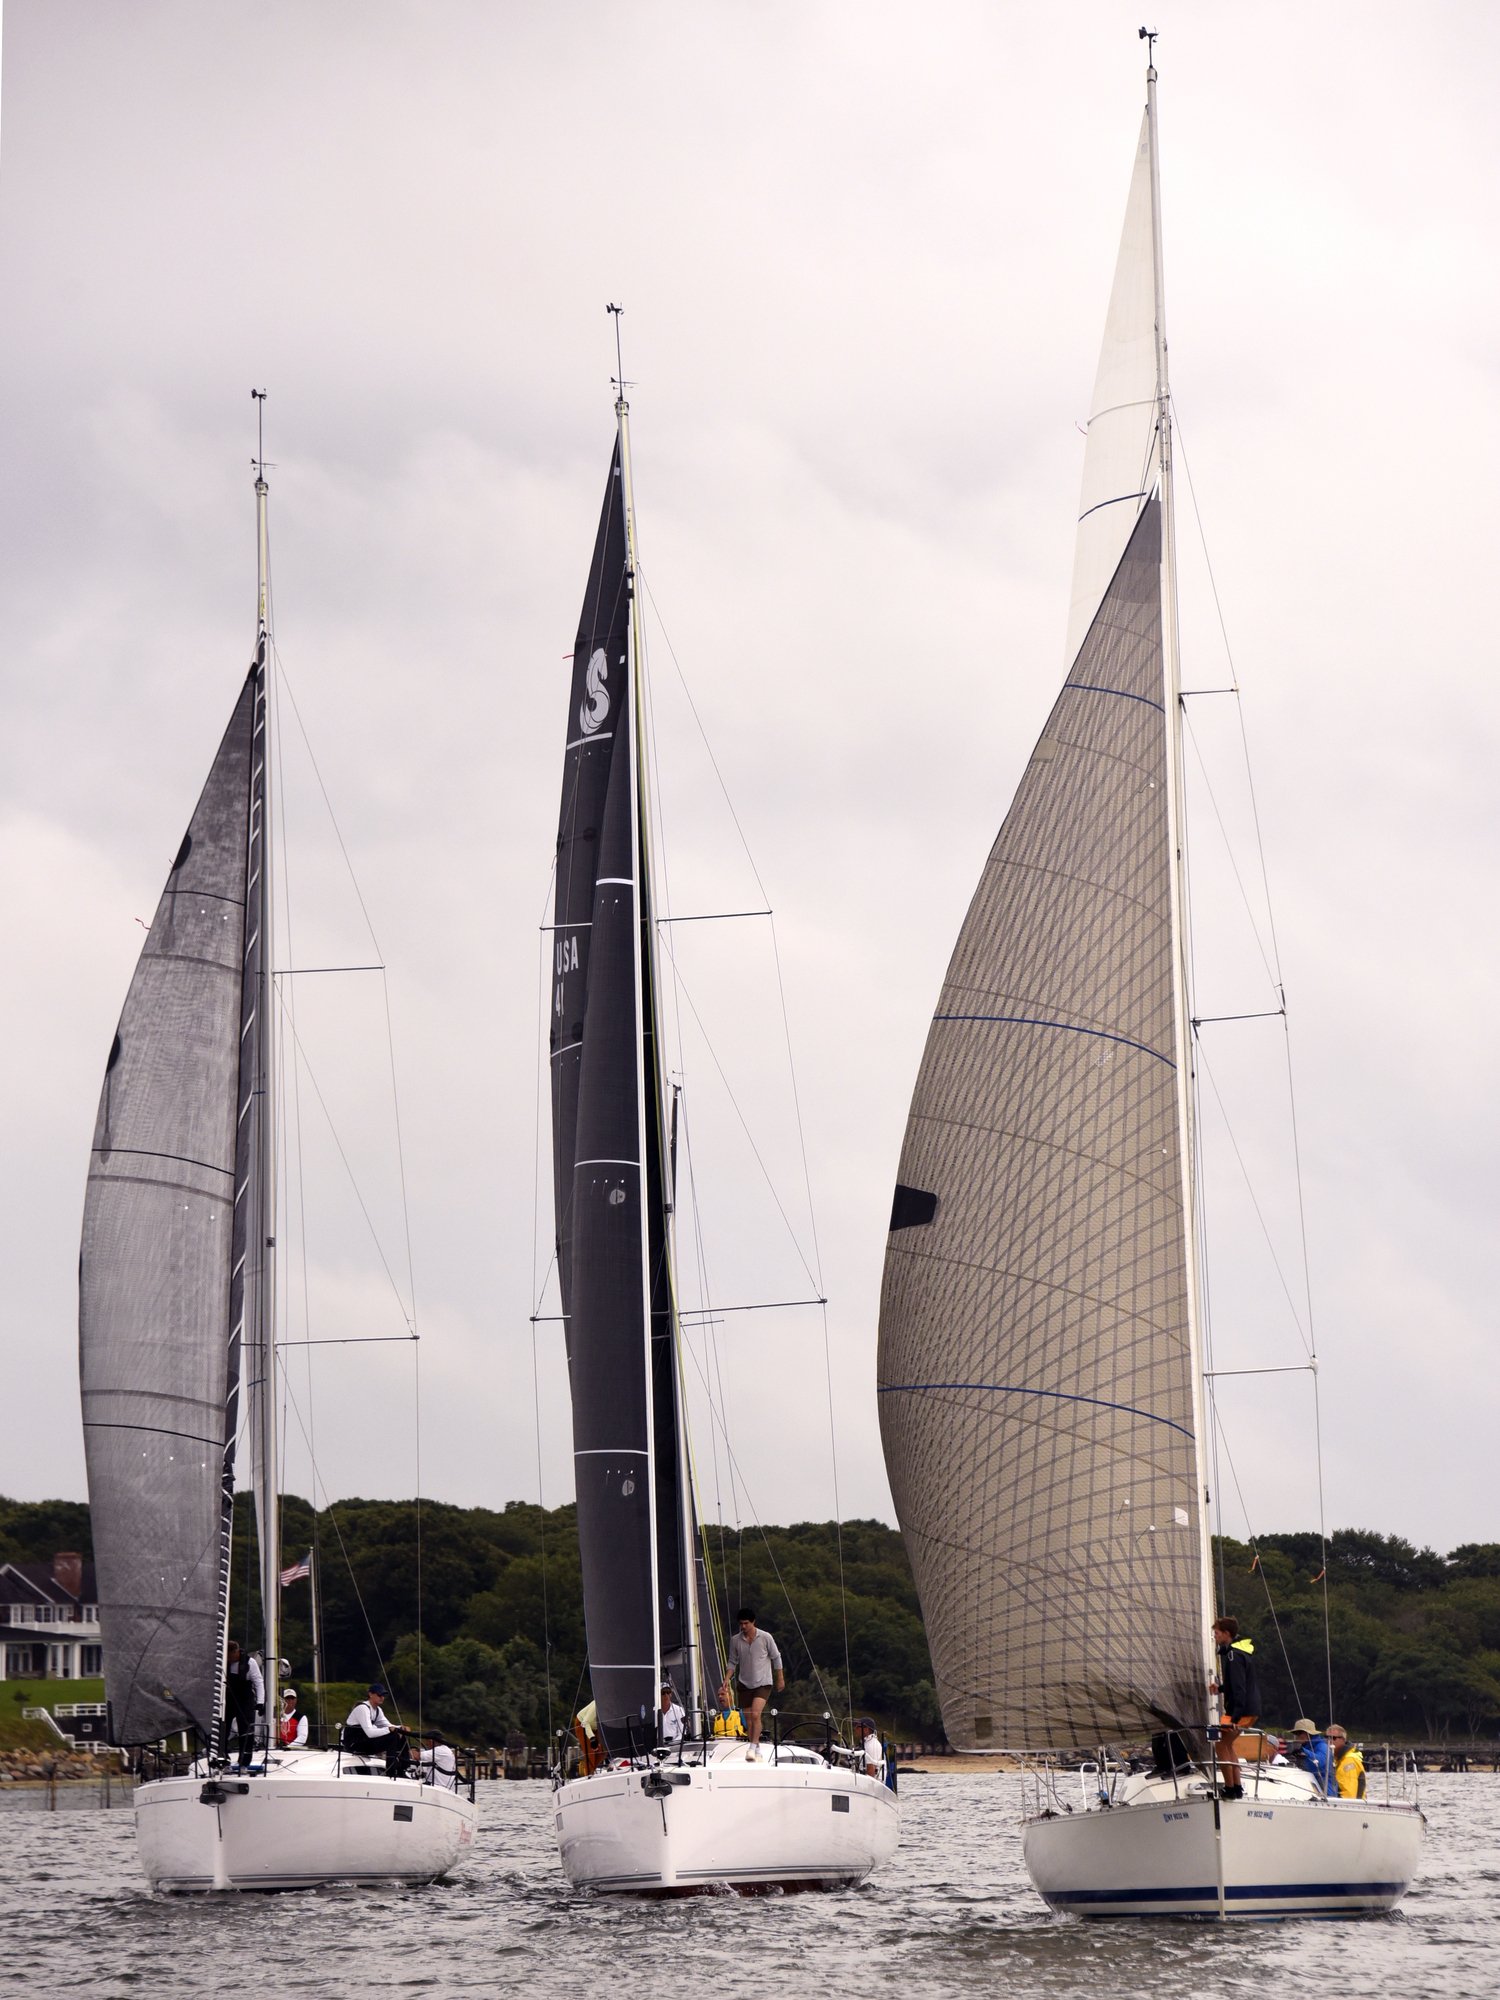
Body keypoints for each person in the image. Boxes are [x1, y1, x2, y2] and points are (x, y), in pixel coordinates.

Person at [1209, 1615, 1261, 1799]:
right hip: (1249, 1708)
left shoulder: (1233, 1655)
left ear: (1226, 1634)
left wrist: (1235, 1718)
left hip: (1242, 1710)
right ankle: (1236, 1787)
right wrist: (1221, 1689)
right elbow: (1236, 1683)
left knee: (1221, 1746)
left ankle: (1230, 1788)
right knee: (1227, 1745)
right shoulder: (1239, 1652)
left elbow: (1240, 1688)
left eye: (1216, 1633)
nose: (1214, 1636)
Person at [724, 1608, 784, 1753]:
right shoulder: (735, 1640)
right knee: (749, 1719)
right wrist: (726, 1679)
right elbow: (732, 1661)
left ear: (753, 1622)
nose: (743, 1627)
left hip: (763, 1682)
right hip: (744, 1683)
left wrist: (780, 1678)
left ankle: (752, 1746)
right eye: (741, 1624)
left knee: (756, 1713)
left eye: (746, 1623)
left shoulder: (765, 1637)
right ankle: (756, 1748)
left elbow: (776, 1656)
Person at [225, 1641, 264, 1768]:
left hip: (245, 1698)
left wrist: (260, 1702)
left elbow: (258, 1682)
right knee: (223, 1728)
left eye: (230, 1656)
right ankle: (223, 1757)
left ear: (237, 1652)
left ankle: (244, 1762)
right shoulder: (223, 1662)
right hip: (228, 1697)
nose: (229, 1658)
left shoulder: (249, 1663)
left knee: (246, 1730)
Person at [1287, 1718, 1334, 1794]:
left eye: (1300, 1732)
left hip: (1325, 1791)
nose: (1297, 1736)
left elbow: (1320, 1762)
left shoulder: (1322, 1746)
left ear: (1309, 1734)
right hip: (1311, 1787)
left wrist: (1304, 1752)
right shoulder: (1307, 1747)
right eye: (1295, 1733)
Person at [1327, 1724, 1366, 1799]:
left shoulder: (1348, 1762)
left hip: (1351, 1807)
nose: (1329, 1741)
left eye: (1333, 1738)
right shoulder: (1338, 1760)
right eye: (1327, 1738)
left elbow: (1348, 1795)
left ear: (1342, 1740)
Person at [659, 1681, 686, 1746]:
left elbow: (682, 1733)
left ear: (671, 1694)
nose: (666, 1695)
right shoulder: (654, 1711)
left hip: (675, 1746)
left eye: (668, 1692)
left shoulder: (679, 1710)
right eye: (663, 1693)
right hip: (658, 1746)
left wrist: (671, 1744)